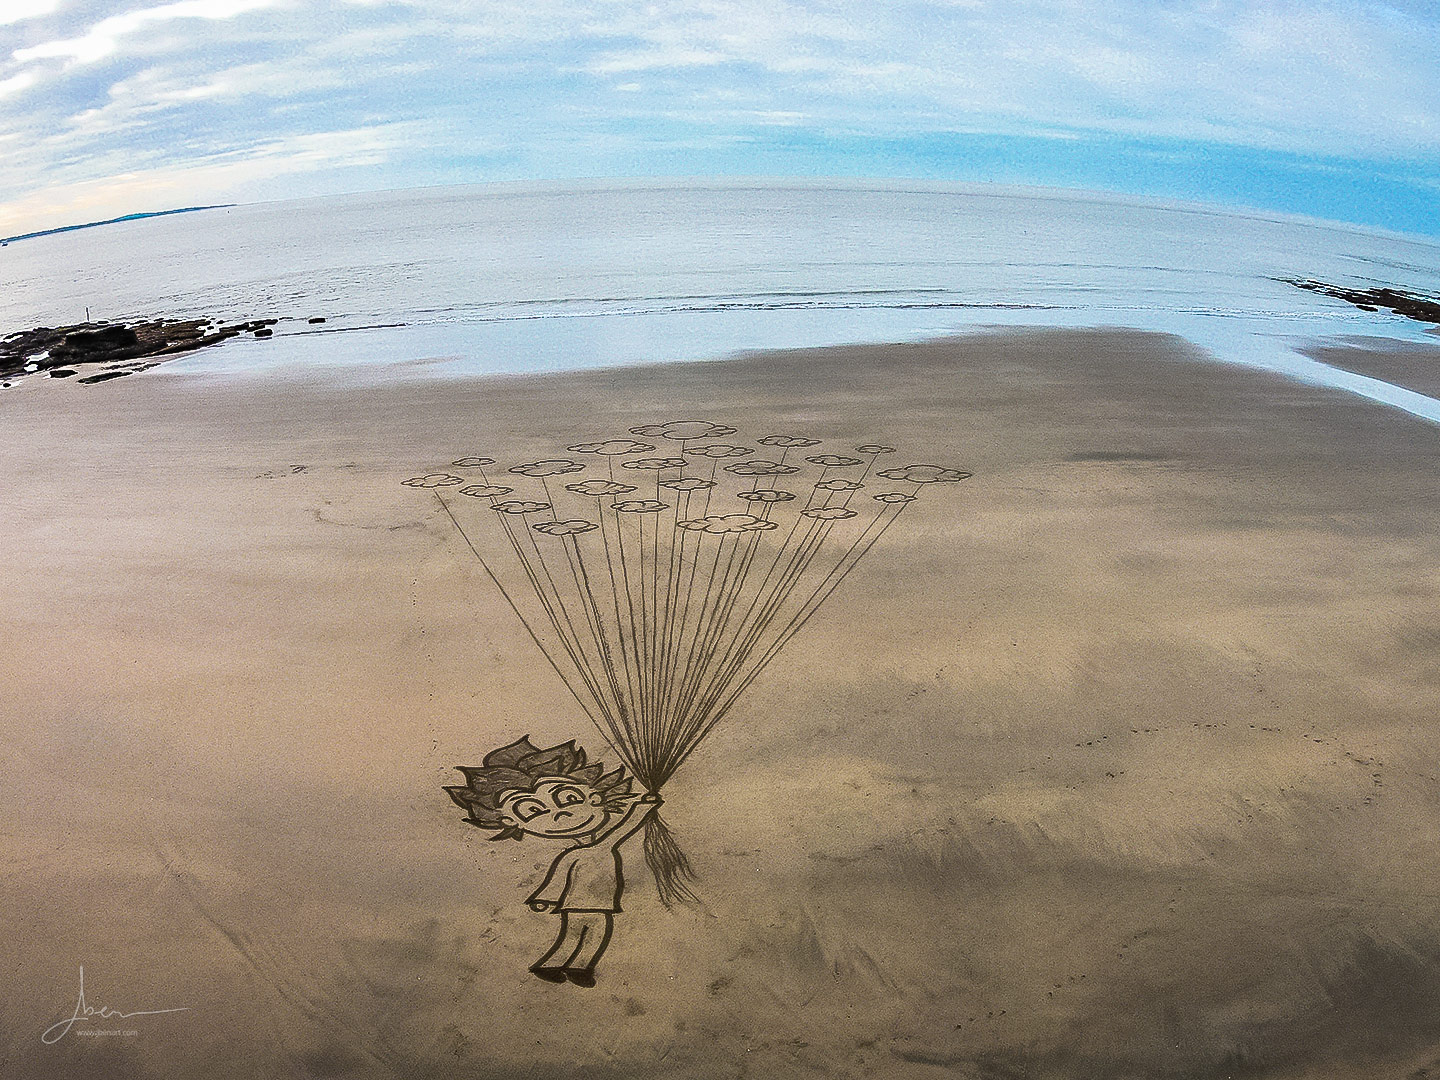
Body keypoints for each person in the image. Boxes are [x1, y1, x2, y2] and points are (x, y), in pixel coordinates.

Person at [445, 736, 659, 986]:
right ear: (510, 822)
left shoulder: (578, 851)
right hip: (589, 899)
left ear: (595, 796)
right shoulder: (594, 848)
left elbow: (560, 876)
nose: (560, 814)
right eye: (532, 810)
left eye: (569, 798)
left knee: (576, 932)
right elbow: (620, 831)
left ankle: (561, 965)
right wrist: (642, 808)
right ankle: (575, 967)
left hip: (583, 899)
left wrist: (544, 899)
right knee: (592, 930)